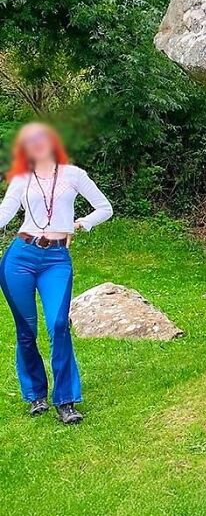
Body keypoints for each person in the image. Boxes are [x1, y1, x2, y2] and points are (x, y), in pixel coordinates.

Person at [0, 122, 113, 424]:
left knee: (59, 323)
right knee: (26, 331)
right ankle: (36, 395)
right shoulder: (22, 178)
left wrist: (80, 223)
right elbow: (5, 213)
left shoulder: (74, 176)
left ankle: (66, 399)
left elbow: (105, 207)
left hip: (56, 260)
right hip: (20, 258)